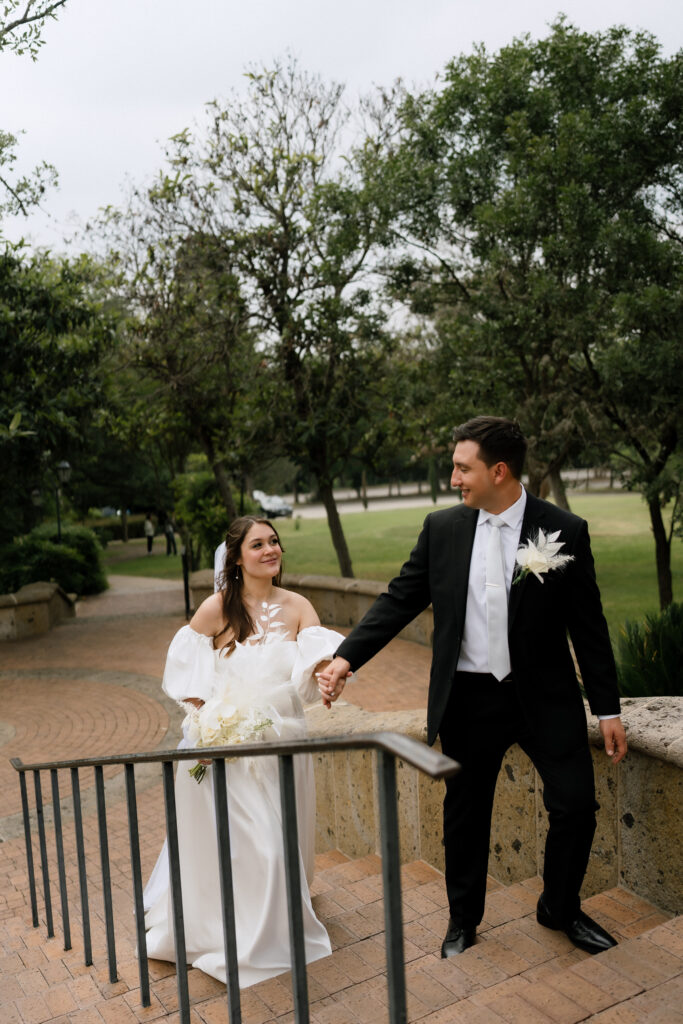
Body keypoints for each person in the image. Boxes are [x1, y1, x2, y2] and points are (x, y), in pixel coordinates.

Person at [319, 416, 627, 958]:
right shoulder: (443, 528)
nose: (454, 477)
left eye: (463, 467)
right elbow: (399, 599)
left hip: (545, 696)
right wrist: (347, 657)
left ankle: (560, 907)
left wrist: (607, 709)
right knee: (465, 816)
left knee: (577, 806)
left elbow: (589, 628)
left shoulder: (563, 531)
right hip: (468, 699)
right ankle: (463, 921)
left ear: (499, 471)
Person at [143, 515, 342, 988]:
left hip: (282, 742)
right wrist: (209, 722)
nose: (271, 550)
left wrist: (329, 677)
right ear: (236, 558)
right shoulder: (215, 610)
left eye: (274, 542)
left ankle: (268, 918)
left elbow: (317, 664)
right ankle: (239, 933)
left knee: (278, 837)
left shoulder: (298, 607)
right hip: (225, 749)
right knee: (260, 844)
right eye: (258, 544)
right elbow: (188, 683)